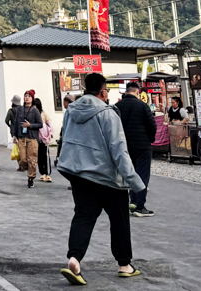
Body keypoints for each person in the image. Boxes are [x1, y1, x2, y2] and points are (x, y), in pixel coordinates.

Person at [56, 73, 144, 284]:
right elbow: (119, 150)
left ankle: (74, 259)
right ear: (103, 92)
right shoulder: (108, 113)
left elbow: (66, 138)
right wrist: (134, 181)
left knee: (83, 217)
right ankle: (124, 265)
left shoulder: (71, 111)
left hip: (79, 174)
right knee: (119, 219)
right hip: (107, 177)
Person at [116, 82, 156, 217]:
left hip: (124, 146)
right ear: (137, 92)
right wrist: (150, 139)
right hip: (142, 146)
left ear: (126, 92)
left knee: (129, 173)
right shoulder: (143, 105)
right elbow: (152, 125)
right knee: (142, 174)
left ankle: (132, 202)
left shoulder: (117, 107)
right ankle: (140, 206)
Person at [11, 90, 43, 188]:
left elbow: (40, 124)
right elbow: (16, 123)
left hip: (32, 138)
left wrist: (30, 125)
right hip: (21, 137)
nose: (27, 97)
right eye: (25, 96)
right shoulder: (20, 109)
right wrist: (14, 135)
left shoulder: (35, 110)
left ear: (32, 98)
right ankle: (28, 169)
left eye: (29, 96)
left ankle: (31, 178)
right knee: (23, 159)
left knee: (32, 159)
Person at [34, 97, 53, 182]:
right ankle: (42, 173)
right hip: (36, 138)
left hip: (43, 138)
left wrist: (49, 134)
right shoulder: (33, 113)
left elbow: (50, 124)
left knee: (44, 155)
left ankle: (46, 173)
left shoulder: (43, 114)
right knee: (38, 156)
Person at [6, 95, 24, 171]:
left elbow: (6, 120)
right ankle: (23, 164)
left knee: (16, 147)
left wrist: (10, 126)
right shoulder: (23, 109)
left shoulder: (10, 111)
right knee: (22, 147)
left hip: (14, 131)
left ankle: (20, 165)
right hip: (23, 130)